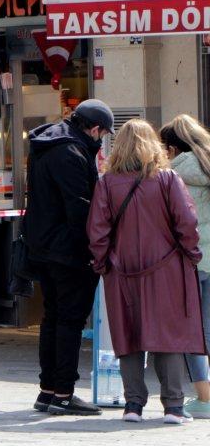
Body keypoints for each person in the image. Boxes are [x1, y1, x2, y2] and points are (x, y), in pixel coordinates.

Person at [87, 119, 204, 424]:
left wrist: (103, 263)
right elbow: (186, 222)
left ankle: (133, 405)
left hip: (121, 269)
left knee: (127, 335)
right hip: (167, 268)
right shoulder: (167, 178)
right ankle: (174, 407)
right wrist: (191, 254)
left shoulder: (106, 182)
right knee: (169, 334)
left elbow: (97, 231)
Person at [23, 99, 114, 416]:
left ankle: (47, 391)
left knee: (52, 319)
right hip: (69, 252)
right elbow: (80, 210)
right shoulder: (73, 152)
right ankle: (63, 393)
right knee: (70, 323)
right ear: (95, 128)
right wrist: (94, 250)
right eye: (102, 133)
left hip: (43, 248)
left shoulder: (48, 143)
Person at [159, 115, 210, 419]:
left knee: (195, 331)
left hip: (192, 261)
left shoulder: (172, 176)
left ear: (173, 148)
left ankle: (204, 397)